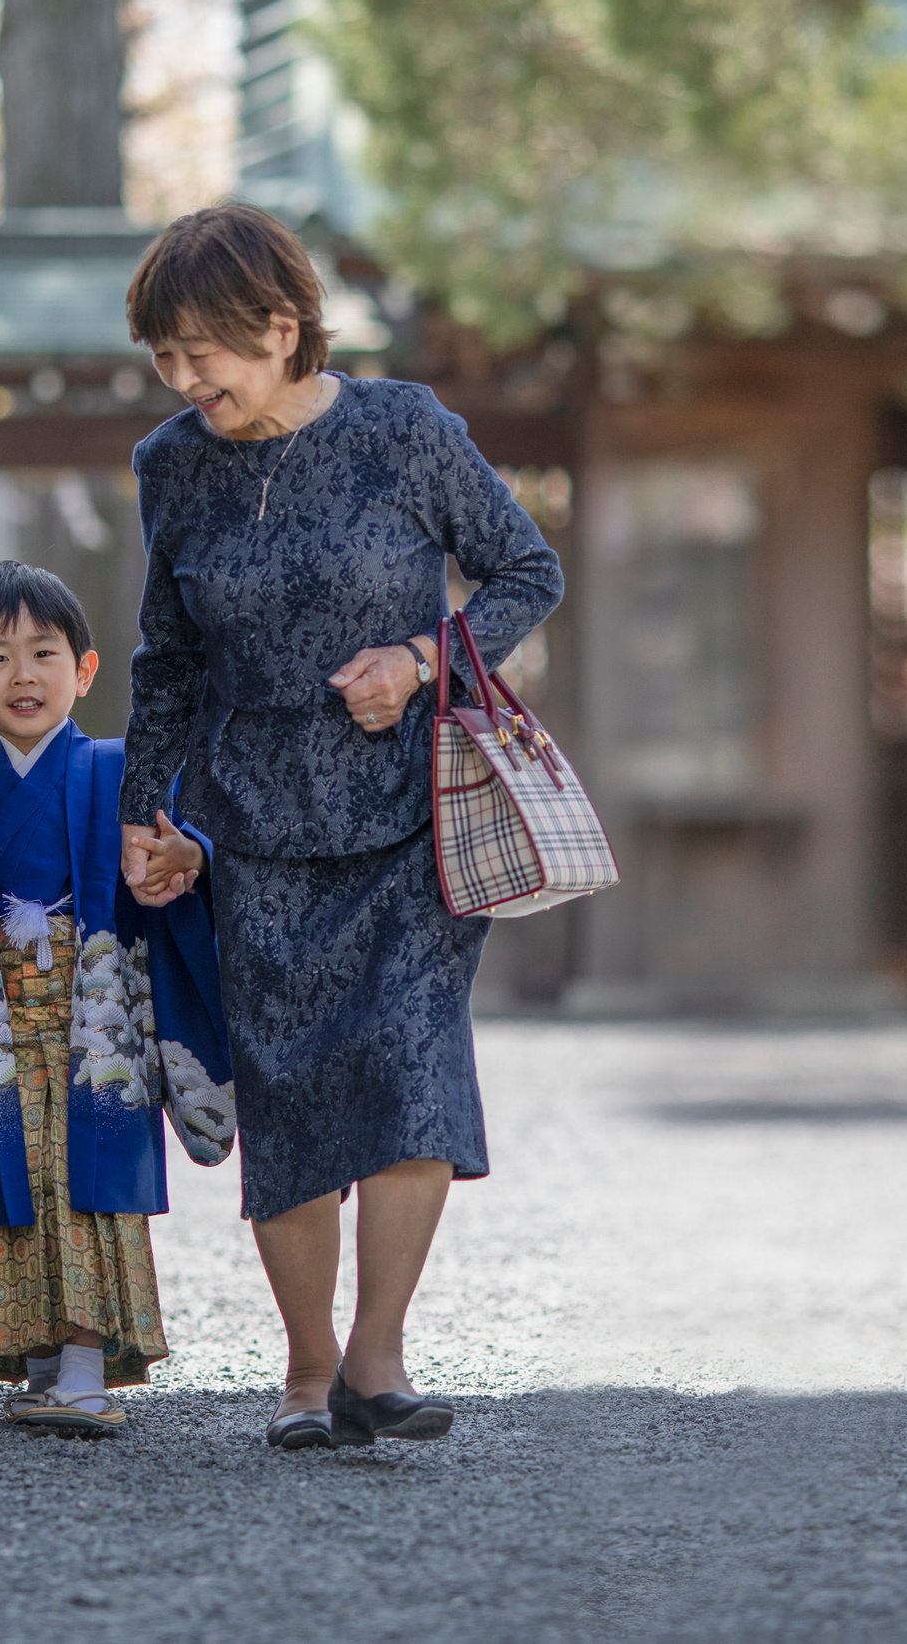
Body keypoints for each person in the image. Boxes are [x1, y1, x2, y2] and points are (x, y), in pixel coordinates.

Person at [118, 205, 564, 1449]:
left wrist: (423, 659)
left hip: (411, 818)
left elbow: (529, 570)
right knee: (292, 1098)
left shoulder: (405, 431)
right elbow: (165, 662)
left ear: (280, 325)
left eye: (202, 350)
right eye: (163, 358)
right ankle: (306, 1370)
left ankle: (378, 1356)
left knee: (415, 1079)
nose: (184, 379)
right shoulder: (172, 464)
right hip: (252, 832)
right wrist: (141, 817)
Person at [0, 562, 234, 1435]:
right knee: (8, 1181)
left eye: (43, 652)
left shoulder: (122, 774)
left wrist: (177, 872)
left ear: (87, 669)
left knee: (82, 1189)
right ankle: (36, 1359)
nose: (23, 675)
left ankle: (82, 1365)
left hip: (93, 1032)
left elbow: (188, 856)